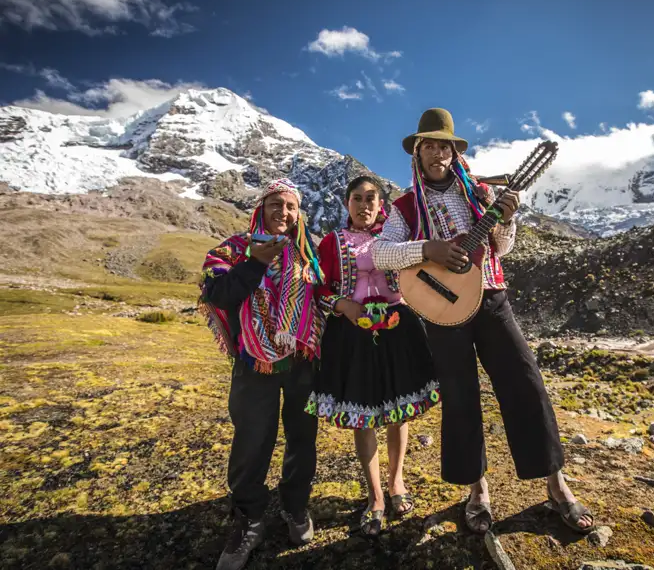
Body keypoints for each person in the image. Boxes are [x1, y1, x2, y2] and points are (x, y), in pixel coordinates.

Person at [372, 109, 594, 535]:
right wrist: (429, 250)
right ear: (417, 153)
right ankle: (477, 489)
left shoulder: (481, 194)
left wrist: (506, 219)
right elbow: (381, 254)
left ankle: (556, 483)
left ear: (455, 153)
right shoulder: (403, 205)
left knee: (526, 382)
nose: (438, 153)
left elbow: (502, 248)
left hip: (492, 299)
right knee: (461, 396)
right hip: (443, 313)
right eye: (430, 146)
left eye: (445, 146)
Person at [199, 178, 326, 570]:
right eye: (275, 204)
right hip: (253, 361)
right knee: (253, 438)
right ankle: (249, 518)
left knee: (302, 438)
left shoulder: (310, 252)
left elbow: (327, 296)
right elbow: (215, 293)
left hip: (302, 359)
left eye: (291, 206)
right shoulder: (235, 249)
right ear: (261, 208)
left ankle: (295, 506)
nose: (283, 213)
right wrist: (256, 262)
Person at [307, 175, 440, 537]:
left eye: (371, 198)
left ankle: (397, 482)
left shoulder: (396, 238)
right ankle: (375, 496)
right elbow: (318, 285)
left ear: (381, 205)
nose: (364, 205)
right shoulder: (333, 243)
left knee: (398, 411)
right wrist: (341, 304)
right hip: (351, 334)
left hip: (400, 330)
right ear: (346, 204)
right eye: (356, 198)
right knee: (364, 417)